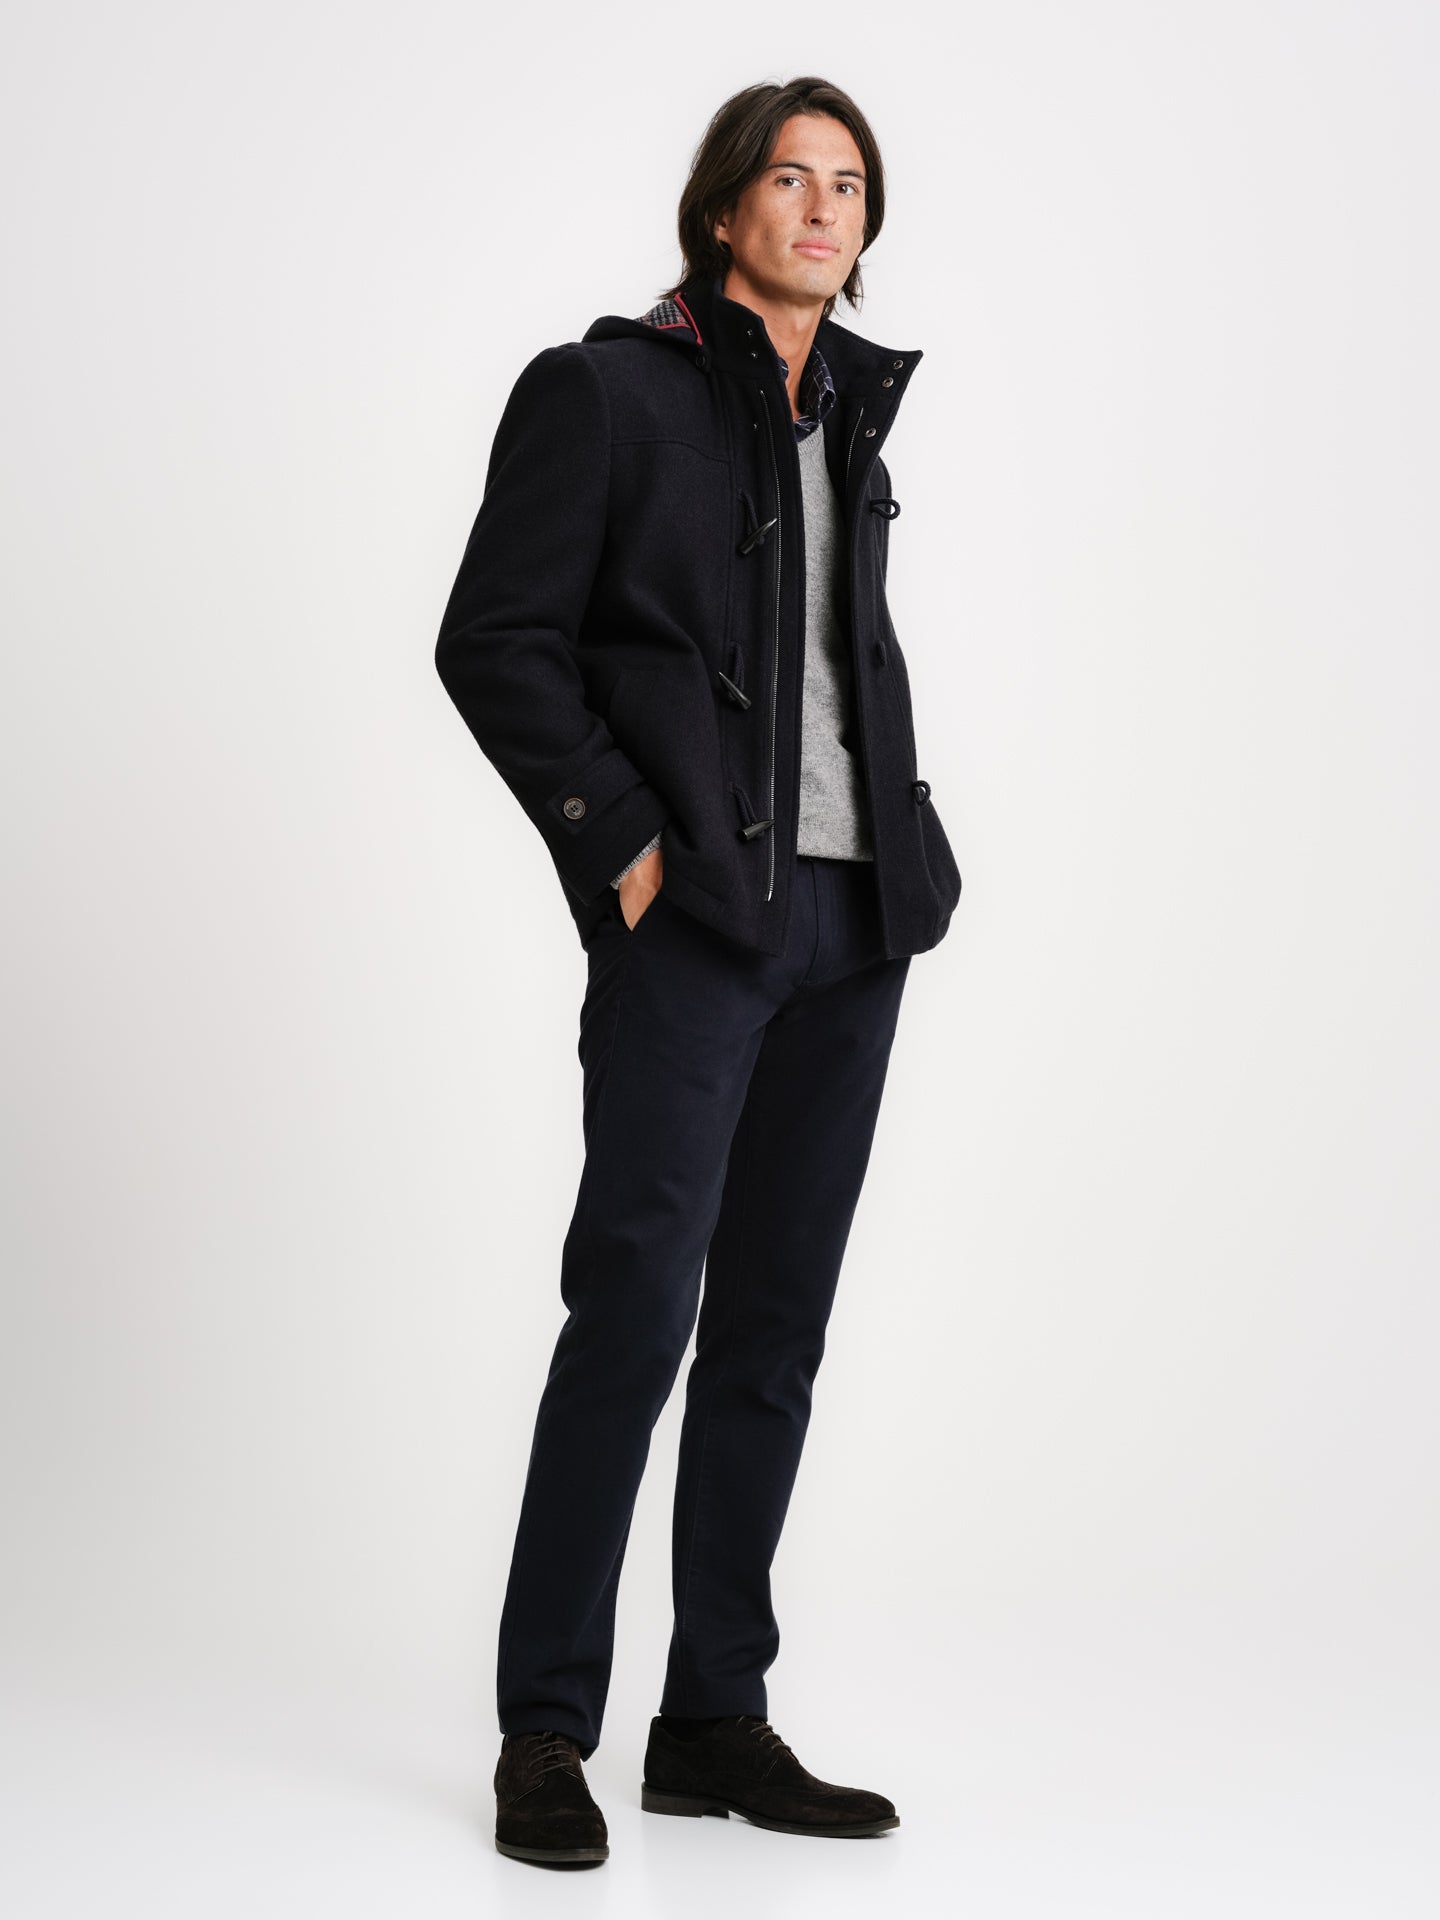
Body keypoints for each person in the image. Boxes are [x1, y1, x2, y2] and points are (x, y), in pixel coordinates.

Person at [434, 74, 962, 1868]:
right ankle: (545, 1731)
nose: (822, 209)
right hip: (694, 929)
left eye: (849, 185)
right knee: (635, 1316)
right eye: (789, 180)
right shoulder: (603, 393)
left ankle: (713, 1717)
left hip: (853, 925)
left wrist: (904, 839)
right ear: (723, 207)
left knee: (774, 1335)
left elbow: (833, 657)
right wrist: (625, 845)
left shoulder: (851, 410)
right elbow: (494, 641)